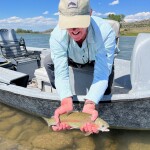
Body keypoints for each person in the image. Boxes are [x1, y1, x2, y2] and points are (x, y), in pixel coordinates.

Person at [44, 0, 116, 134]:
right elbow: (61, 72)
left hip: (96, 60)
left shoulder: (105, 33)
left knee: (107, 74)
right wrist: (65, 100)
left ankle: (99, 106)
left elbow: (101, 74)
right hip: (72, 58)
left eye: (79, 22)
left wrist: (90, 103)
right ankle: (61, 95)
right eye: (68, 23)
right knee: (48, 61)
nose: (73, 29)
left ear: (90, 14)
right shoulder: (56, 35)